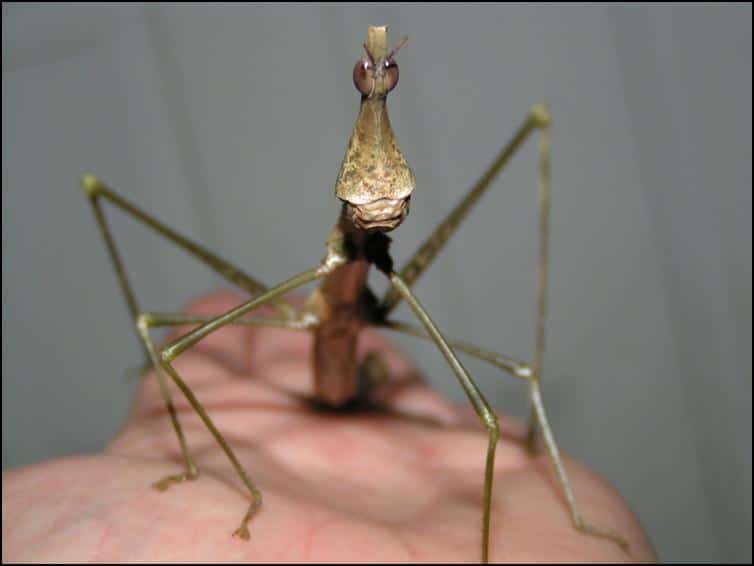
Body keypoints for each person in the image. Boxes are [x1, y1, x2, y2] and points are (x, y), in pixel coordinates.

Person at [2, 291, 656, 562]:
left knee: (505, 396)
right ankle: (216, 475)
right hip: (322, 357)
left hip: (357, 367)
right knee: (165, 333)